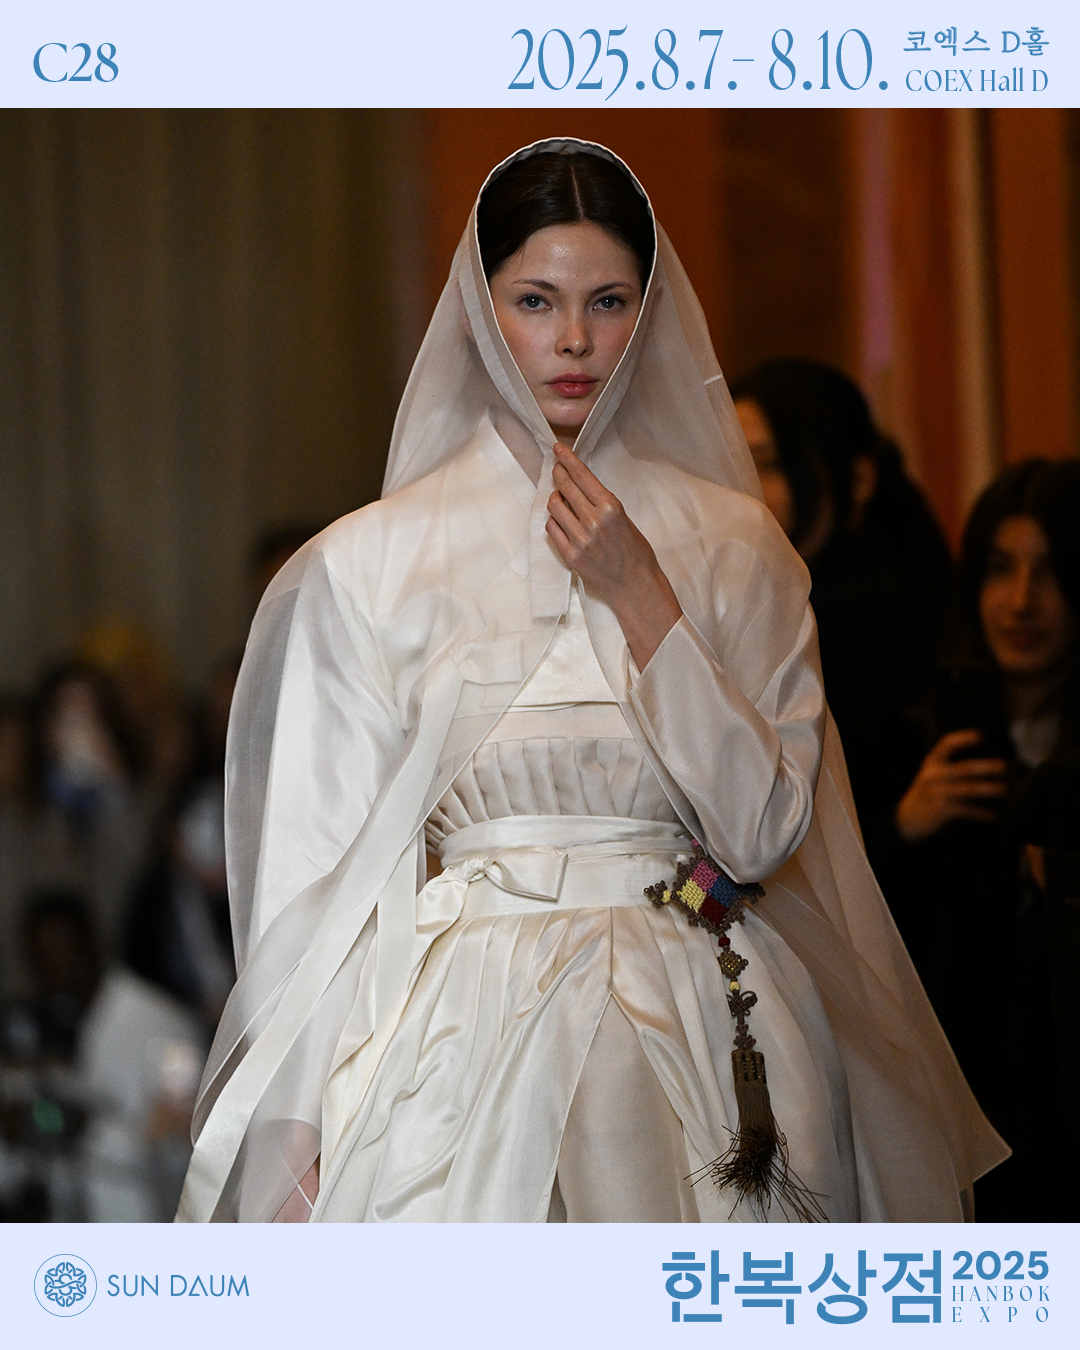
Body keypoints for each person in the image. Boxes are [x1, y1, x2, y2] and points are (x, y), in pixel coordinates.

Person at [177, 140, 1004, 1225]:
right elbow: (312, 893)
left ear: (648, 313)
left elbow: (762, 831)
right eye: (536, 300)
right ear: (478, 309)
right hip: (451, 1042)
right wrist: (295, 1149)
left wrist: (642, 594)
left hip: (707, 1019)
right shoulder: (369, 563)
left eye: (609, 302)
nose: (573, 340)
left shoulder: (734, 546)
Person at [876, 459, 1080, 1219]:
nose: (1022, 602)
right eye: (999, 569)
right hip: (950, 1113)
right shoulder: (911, 732)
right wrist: (903, 825)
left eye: (1050, 572)